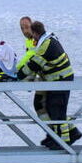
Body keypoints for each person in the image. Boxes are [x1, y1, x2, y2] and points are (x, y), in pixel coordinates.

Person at [16, 21, 82, 149]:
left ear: (35, 33)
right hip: (55, 79)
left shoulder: (45, 46)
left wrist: (18, 76)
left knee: (57, 109)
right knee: (46, 106)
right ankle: (63, 134)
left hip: (61, 79)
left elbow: (34, 64)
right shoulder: (47, 40)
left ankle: (63, 141)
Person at [17, 16, 53, 146]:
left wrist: (18, 71)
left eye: (26, 27)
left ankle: (56, 134)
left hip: (50, 78)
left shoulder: (35, 40)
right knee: (40, 105)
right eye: (21, 28)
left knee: (48, 107)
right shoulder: (29, 40)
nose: (24, 30)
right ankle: (52, 133)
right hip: (43, 77)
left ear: (32, 27)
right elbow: (32, 62)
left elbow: (31, 58)